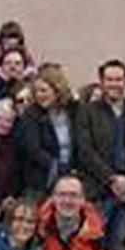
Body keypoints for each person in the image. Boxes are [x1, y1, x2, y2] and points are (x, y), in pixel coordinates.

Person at [74, 59, 125, 247]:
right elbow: (85, 150)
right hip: (98, 192)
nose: (114, 84)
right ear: (101, 81)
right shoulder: (87, 112)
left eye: (118, 79)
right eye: (109, 79)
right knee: (92, 245)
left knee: (119, 248)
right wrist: (111, 179)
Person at [37, 175, 116, 250]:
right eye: (62, 195)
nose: (67, 201)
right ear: (52, 198)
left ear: (83, 200)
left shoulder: (96, 236)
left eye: (73, 195)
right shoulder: (37, 230)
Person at [16, 65, 77, 197]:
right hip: (41, 180)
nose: (39, 95)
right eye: (36, 91)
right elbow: (33, 149)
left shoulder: (72, 111)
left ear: (57, 90)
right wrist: (57, 167)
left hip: (71, 177)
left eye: (44, 90)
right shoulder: (31, 114)